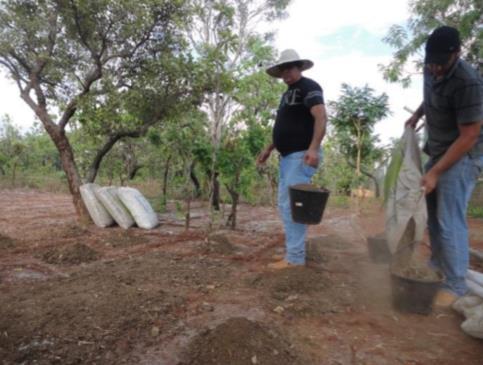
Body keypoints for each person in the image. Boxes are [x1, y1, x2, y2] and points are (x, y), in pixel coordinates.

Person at [406, 26, 483, 306]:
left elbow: (470, 135)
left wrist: (436, 172)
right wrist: (417, 114)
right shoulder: (431, 66)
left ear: (457, 54)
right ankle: (438, 266)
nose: (435, 69)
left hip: (465, 154)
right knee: (434, 215)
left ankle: (455, 285)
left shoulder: (468, 82)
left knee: (450, 219)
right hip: (439, 149)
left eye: (441, 63)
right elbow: (430, 96)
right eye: (431, 63)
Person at [257, 49, 327, 269]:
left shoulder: (310, 87)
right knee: (286, 205)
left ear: (299, 67)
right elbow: (286, 126)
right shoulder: (287, 94)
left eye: (289, 67)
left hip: (301, 156)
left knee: (292, 206)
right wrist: (269, 148)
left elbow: (321, 117)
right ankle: (293, 251)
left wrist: (313, 149)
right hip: (287, 158)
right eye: (282, 69)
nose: (285, 72)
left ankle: (295, 259)